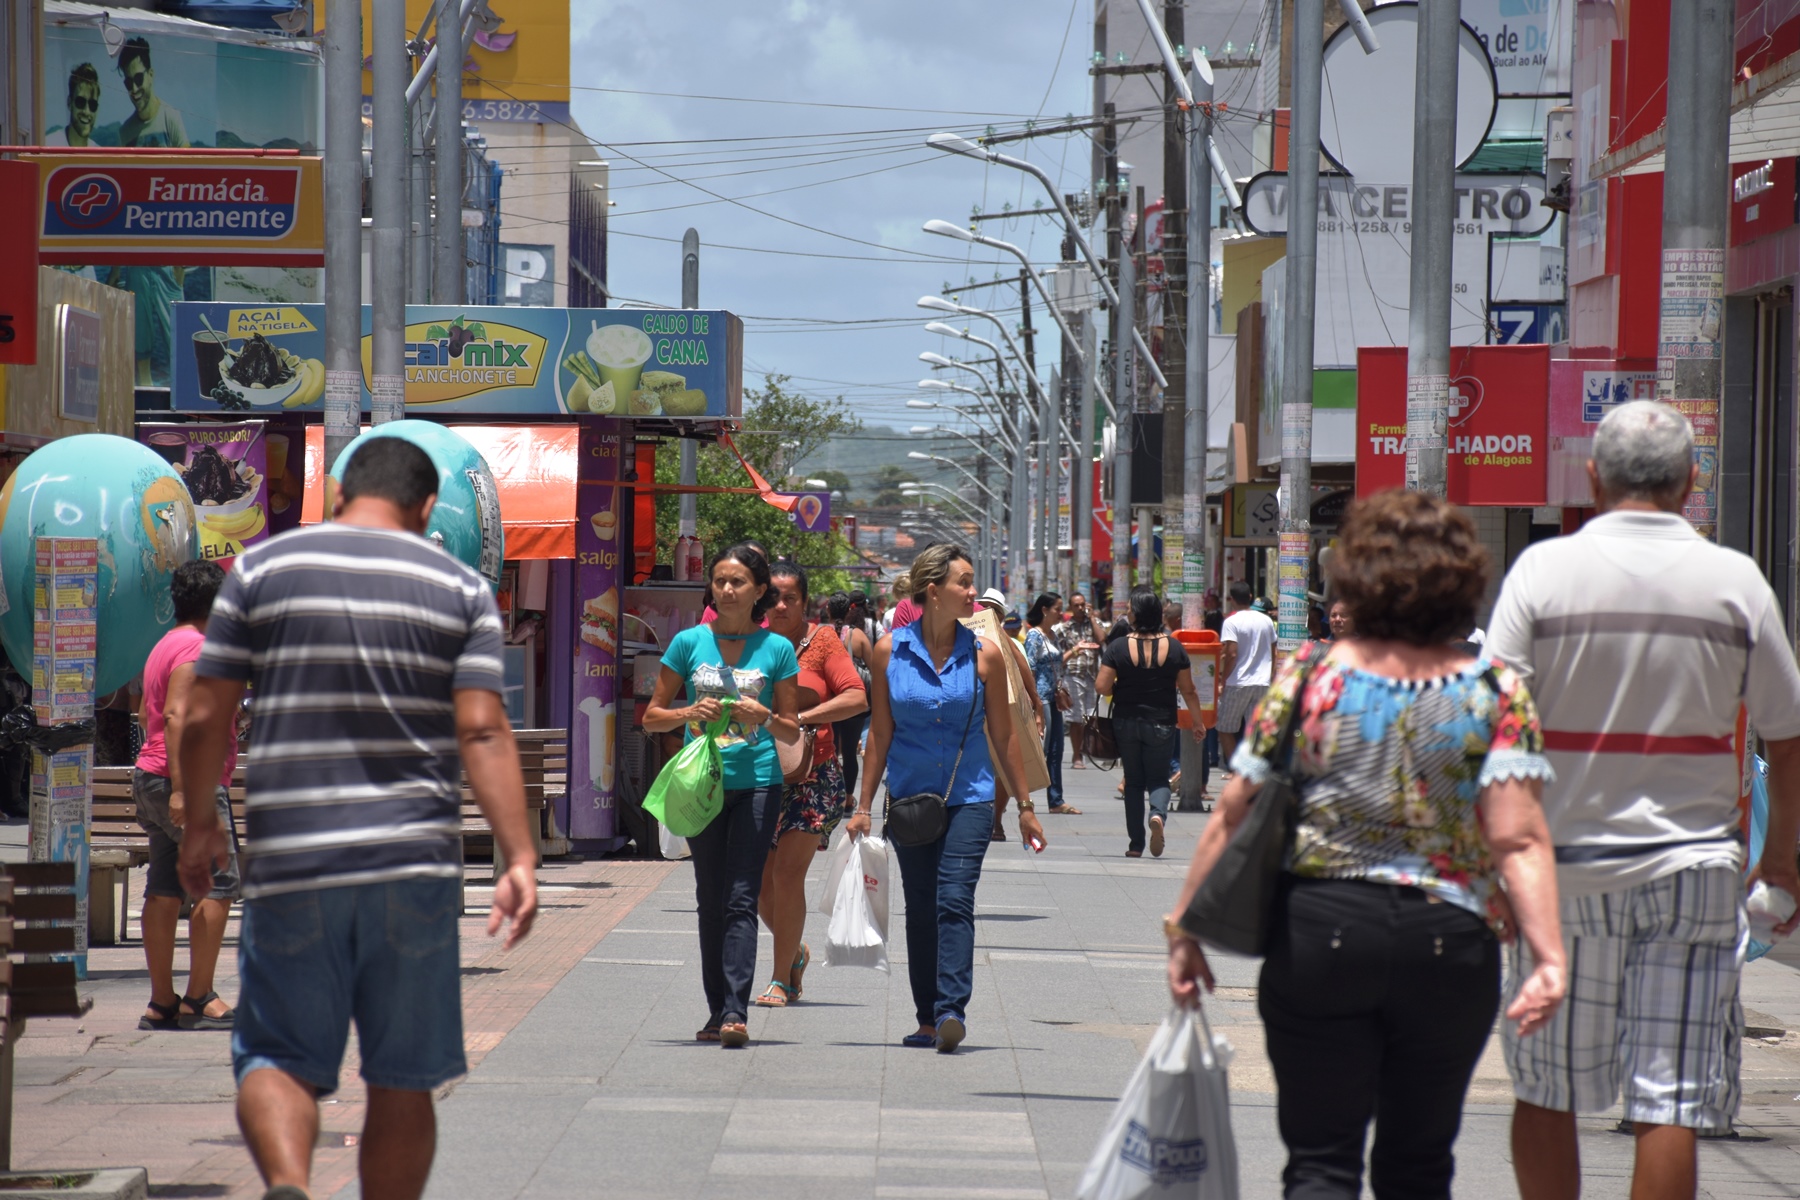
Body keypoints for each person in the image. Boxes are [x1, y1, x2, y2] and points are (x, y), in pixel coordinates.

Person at [1165, 489, 1567, 1200]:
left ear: (1353, 578)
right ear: (1463, 582)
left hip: (1320, 933)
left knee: (1320, 1164)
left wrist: (1186, 928)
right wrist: (1549, 957)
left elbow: (1233, 809)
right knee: (1420, 1165)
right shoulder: (1494, 689)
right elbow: (1520, 837)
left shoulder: (1310, 680)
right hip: (1450, 942)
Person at [175, 437, 538, 1200]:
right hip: (412, 866)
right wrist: (518, 858)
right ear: (427, 508)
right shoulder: (460, 588)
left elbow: (206, 714)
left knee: (277, 1055)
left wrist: (201, 821)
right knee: (403, 1077)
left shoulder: (260, 571)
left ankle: (288, 1182)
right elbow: (481, 730)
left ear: (338, 494)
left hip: (293, 860)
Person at [1486, 400, 1800, 1200]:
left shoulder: (1542, 574)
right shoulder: (1735, 581)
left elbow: (1494, 729)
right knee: (1670, 1099)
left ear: (1594, 479)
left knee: (1545, 1084)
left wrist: (1491, 865)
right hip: (1693, 873)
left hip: (1560, 870)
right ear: (1691, 482)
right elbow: (1788, 734)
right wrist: (1780, 861)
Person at [847, 543, 1043, 1052]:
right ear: (934, 591)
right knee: (920, 907)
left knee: (954, 898)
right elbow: (880, 734)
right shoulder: (889, 651)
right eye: (964, 582)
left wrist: (1024, 807)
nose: (973, 591)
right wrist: (863, 807)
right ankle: (927, 1018)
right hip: (910, 799)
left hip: (971, 796)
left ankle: (951, 1008)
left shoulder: (985, 655)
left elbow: (1003, 735)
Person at [644, 544, 801, 1048]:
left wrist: (764, 716)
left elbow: (791, 729)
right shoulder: (688, 642)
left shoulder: (777, 649)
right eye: (720, 581)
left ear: (759, 591)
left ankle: (735, 1011)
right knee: (709, 897)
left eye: (738, 582)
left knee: (741, 896)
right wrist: (689, 713)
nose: (727, 590)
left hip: (758, 783)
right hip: (703, 785)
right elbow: (651, 717)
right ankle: (716, 1011)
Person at [134, 560, 239, 1032]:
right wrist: (180, 789)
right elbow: (175, 716)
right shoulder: (197, 648)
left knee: (163, 888)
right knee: (218, 884)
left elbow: (146, 715)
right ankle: (199, 997)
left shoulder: (164, 645)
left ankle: (162, 1002)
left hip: (150, 775)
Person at [756, 563, 867, 1007]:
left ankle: (779, 979)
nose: (781, 606)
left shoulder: (822, 641)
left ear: (805, 602)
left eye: (791, 598)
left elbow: (856, 695)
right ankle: (795, 951)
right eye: (774, 597)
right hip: (759, 773)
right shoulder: (751, 641)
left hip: (813, 775)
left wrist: (800, 718)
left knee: (787, 875)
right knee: (759, 886)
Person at [1097, 587, 1205, 858]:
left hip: (1126, 721)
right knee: (1158, 779)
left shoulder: (1118, 646)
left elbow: (1101, 686)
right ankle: (1157, 815)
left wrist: (1119, 688)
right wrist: (1197, 722)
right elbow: (1189, 690)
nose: (1127, 613)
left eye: (1130, 609)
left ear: (1137, 613)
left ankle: (1136, 845)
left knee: (1133, 782)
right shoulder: (1175, 647)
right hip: (1162, 722)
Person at [976, 588, 1044, 842]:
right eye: (984, 607)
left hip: (1001, 711)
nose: (986, 613)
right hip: (973, 712)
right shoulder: (966, 635)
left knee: (1001, 770)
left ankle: (995, 820)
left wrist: (1037, 707)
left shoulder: (1013, 644)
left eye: (992, 610)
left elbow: (1025, 675)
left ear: (1001, 616)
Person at [1025, 593, 1081, 815]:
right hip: (1041, 698)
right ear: (1044, 610)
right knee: (1041, 749)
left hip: (1054, 697)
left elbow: (1057, 662)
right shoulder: (1034, 636)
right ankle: (1024, 797)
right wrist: (1034, 702)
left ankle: (1056, 800)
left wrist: (1075, 651)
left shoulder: (1053, 636)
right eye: (1057, 609)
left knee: (1057, 749)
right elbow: (1029, 668)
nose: (1061, 613)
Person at [1217, 581, 1276, 777]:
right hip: (1262, 683)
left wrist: (1222, 680)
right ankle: (1252, 772)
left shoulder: (1231, 622)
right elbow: (1274, 652)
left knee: (1224, 728)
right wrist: (1271, 676)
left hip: (1238, 683)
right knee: (1255, 731)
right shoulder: (1266, 621)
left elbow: (1231, 654)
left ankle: (1237, 771)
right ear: (1250, 597)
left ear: (1231, 599)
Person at [826, 591, 874, 797]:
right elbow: (873, 667)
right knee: (849, 753)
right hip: (854, 703)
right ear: (848, 611)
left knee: (829, 752)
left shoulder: (820, 634)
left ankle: (830, 795)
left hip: (828, 702)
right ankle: (847, 799)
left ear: (828, 610)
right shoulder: (858, 636)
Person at [1055, 593, 1104, 768]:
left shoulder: (1094, 623)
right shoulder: (1064, 628)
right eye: (1076, 605)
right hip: (1073, 674)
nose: (1080, 608)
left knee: (1090, 717)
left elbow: (1102, 639)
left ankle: (1087, 750)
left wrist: (1092, 619)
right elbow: (1058, 655)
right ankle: (1077, 756)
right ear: (1071, 607)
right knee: (1076, 718)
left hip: (1092, 675)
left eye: (1082, 604)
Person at [117, 38, 188, 148]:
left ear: (150, 75)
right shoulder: (125, 133)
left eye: (138, 79)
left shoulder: (171, 119)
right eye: (129, 83)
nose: (134, 89)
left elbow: (187, 159)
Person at [49, 63, 102, 146]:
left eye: (92, 105)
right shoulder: (49, 146)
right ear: (69, 103)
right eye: (80, 102)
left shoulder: (99, 153)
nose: (86, 111)